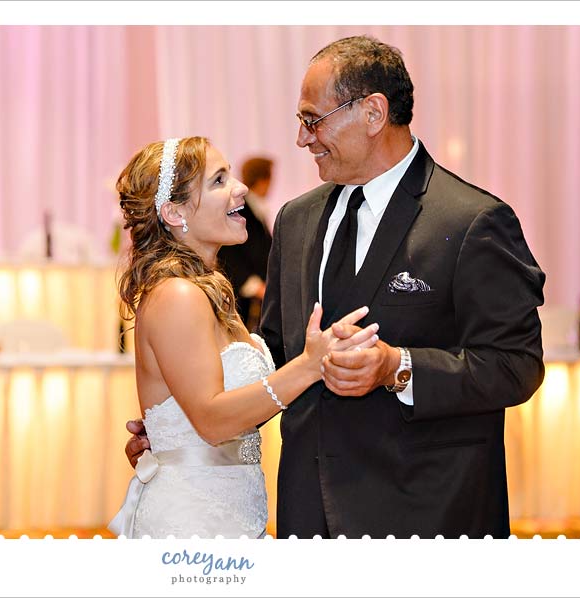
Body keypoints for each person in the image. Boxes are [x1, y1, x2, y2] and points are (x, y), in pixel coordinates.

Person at [125, 36, 546, 539]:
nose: (302, 139)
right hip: (308, 513)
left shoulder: (472, 220)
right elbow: (280, 354)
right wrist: (184, 428)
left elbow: (516, 365)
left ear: (372, 113)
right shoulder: (298, 220)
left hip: (428, 511)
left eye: (312, 119)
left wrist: (399, 368)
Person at [108, 136, 377, 538]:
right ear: (174, 212)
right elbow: (213, 422)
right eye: (218, 180)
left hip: (233, 511)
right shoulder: (178, 295)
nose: (241, 188)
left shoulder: (209, 288)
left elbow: (228, 406)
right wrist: (308, 365)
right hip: (193, 522)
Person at [215, 157, 274, 332]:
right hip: (244, 294)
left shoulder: (256, 206)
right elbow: (229, 250)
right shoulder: (240, 207)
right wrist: (254, 285)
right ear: (264, 180)